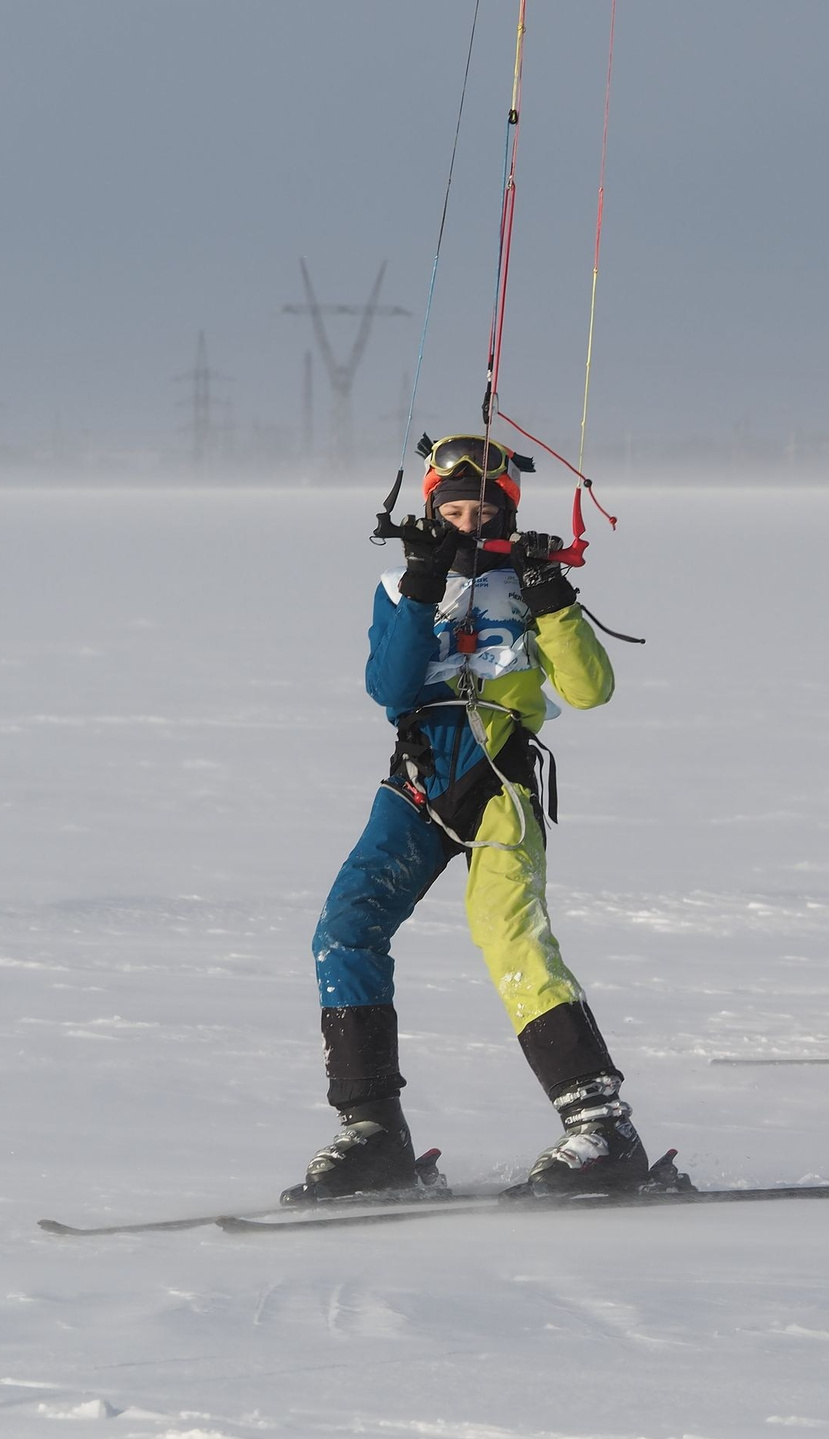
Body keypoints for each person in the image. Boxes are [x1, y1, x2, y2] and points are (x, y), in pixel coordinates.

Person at [283, 432, 647, 1203]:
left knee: (509, 934)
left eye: (482, 513)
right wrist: (422, 585)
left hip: (498, 783)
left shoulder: (532, 581)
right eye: (451, 512)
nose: (466, 524)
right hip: (417, 782)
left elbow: (590, 689)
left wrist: (550, 595)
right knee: (346, 927)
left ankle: (602, 1125)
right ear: (429, 513)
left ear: (506, 514)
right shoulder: (398, 585)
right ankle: (372, 1133)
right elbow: (390, 687)